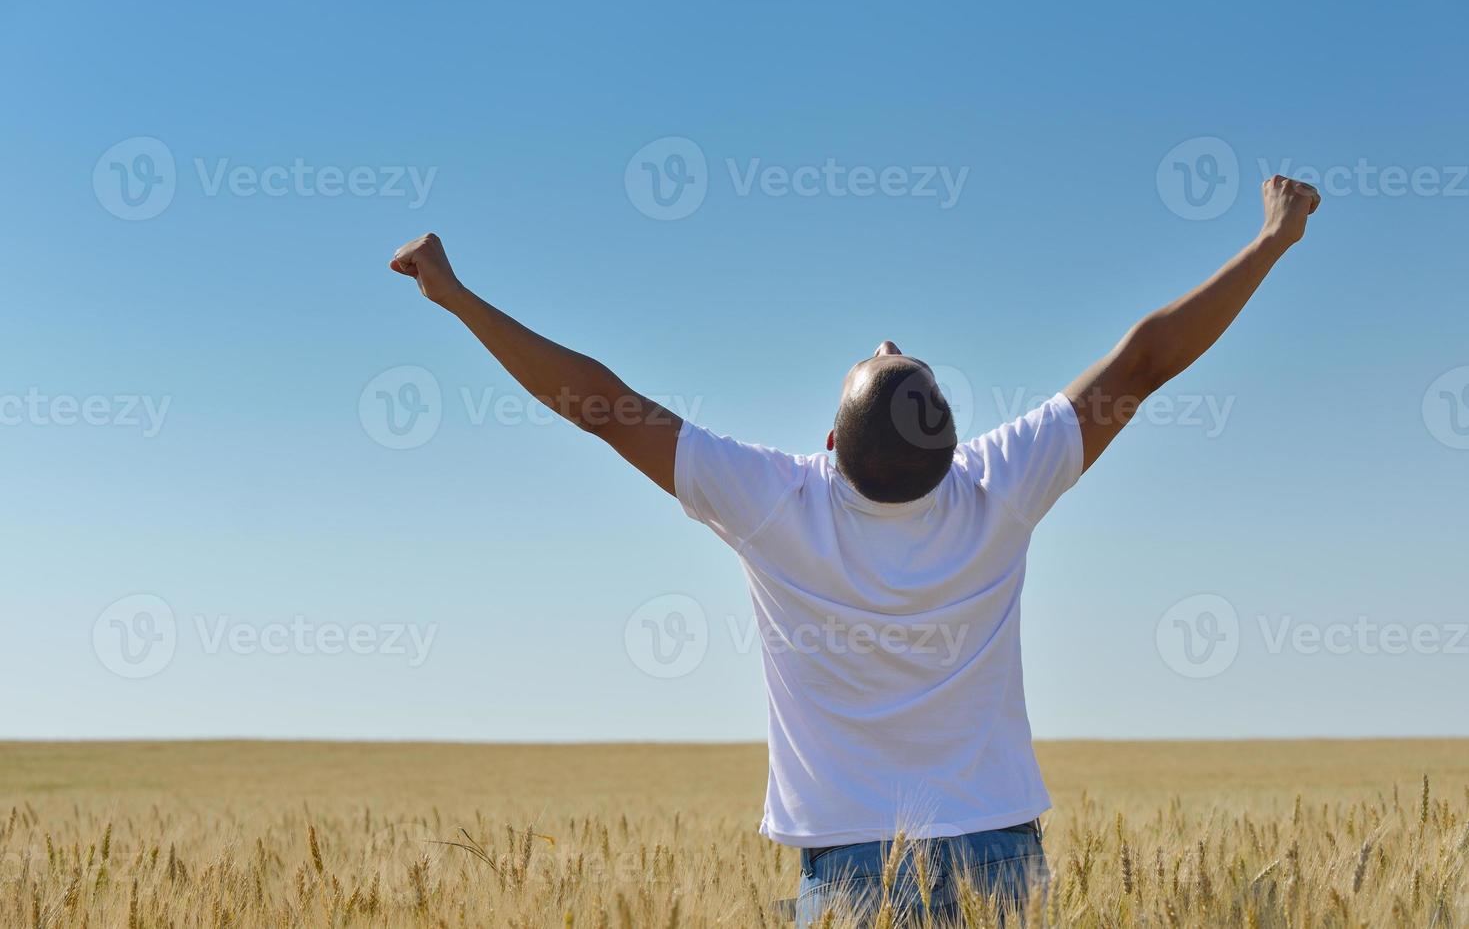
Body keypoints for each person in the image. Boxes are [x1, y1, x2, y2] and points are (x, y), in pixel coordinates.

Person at [386, 175, 1320, 925]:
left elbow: (597, 404)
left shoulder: (774, 501)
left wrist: (455, 296)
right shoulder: (1000, 485)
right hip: (1000, 850)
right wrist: (1270, 242)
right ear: (953, 446)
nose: (883, 346)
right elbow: (1146, 359)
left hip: (851, 874)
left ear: (828, 447)